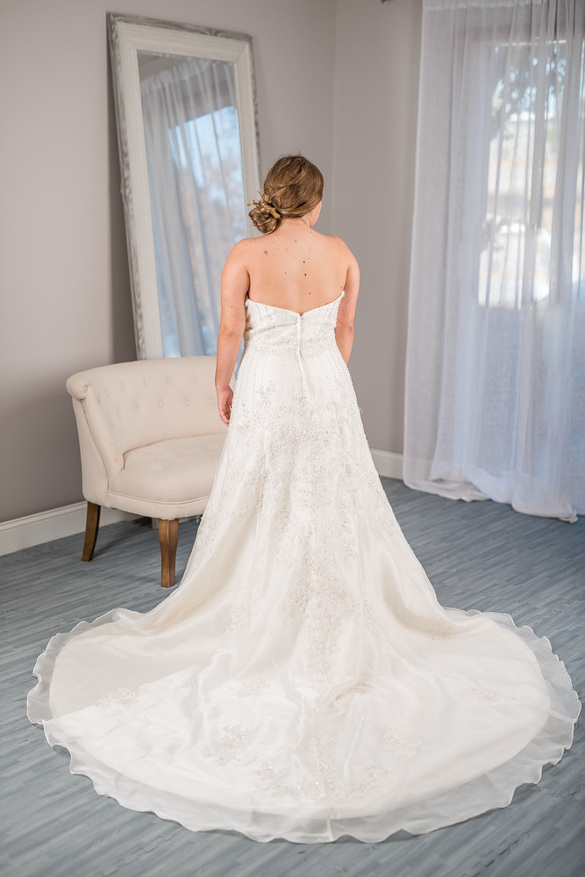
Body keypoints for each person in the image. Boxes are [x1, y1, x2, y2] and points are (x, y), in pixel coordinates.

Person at [28, 155, 579, 845]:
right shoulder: (341, 252)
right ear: (314, 202)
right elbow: (344, 333)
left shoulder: (245, 253)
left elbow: (231, 333)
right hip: (325, 386)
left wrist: (222, 384)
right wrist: (322, 376)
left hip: (266, 386)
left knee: (260, 500)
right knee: (336, 499)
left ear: (273, 198)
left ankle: (263, 604)